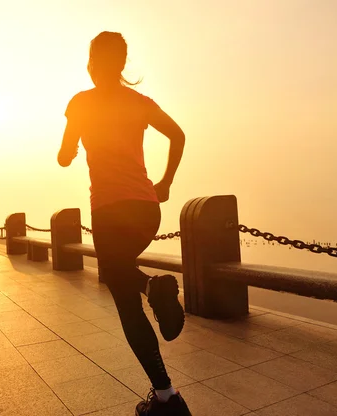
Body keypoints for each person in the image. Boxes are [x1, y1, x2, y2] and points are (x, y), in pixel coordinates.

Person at [58, 31, 191, 415]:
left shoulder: (80, 103)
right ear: (123, 62)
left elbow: (65, 156)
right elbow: (178, 134)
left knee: (122, 294)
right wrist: (165, 182)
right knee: (119, 274)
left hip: (110, 211)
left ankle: (166, 395)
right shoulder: (139, 101)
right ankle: (164, 393)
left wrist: (70, 150)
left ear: (91, 62)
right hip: (147, 210)